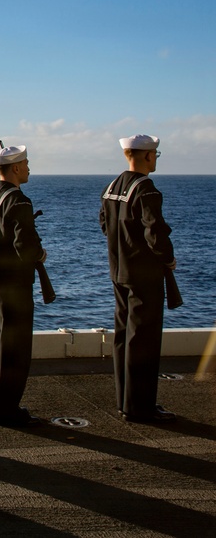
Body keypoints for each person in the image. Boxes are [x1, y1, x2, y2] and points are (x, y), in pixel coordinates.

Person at [100, 134, 177, 423]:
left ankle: (126, 402)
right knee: (144, 341)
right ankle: (141, 407)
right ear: (147, 155)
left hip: (119, 272)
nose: (155, 158)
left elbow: (105, 224)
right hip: (143, 276)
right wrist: (167, 258)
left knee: (124, 337)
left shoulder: (112, 187)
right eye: (155, 154)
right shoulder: (146, 189)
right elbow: (154, 231)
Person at [0, 144, 45, 427]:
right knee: (15, 350)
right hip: (15, 284)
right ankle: (7, 411)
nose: (29, 168)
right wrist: (39, 254)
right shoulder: (18, 200)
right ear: (16, 168)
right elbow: (24, 245)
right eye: (26, 164)